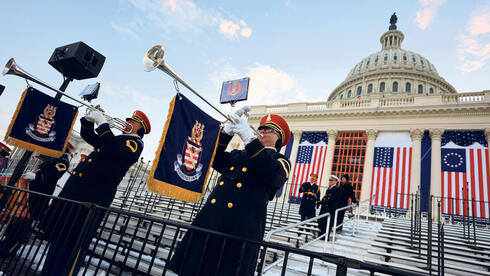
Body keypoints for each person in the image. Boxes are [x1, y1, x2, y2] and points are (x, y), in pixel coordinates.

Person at [168, 107, 291, 276]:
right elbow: (213, 158)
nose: (261, 131)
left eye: (268, 130)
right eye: (260, 128)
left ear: (278, 137)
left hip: (238, 228)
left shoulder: (280, 161)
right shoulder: (240, 154)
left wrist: (250, 139)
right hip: (211, 220)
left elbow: (271, 175)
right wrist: (225, 134)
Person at [41, 109, 150, 276]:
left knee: (73, 243)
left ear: (138, 128)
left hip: (91, 197)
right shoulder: (113, 140)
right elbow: (90, 137)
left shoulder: (134, 144)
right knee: (60, 236)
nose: (127, 123)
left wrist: (103, 124)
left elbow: (114, 150)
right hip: (77, 193)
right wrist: (88, 121)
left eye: (131, 122)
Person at [0, 143, 73, 257]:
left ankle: (9, 249)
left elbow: (53, 176)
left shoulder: (63, 161)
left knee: (24, 223)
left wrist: (35, 177)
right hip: (30, 195)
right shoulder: (52, 159)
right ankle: (5, 245)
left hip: (39, 197)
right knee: (17, 221)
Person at [317, 175, 339, 240]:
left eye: (332, 180)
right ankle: (320, 236)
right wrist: (320, 201)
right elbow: (326, 197)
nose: (330, 181)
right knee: (321, 222)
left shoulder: (336, 189)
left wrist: (324, 202)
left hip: (329, 209)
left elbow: (333, 199)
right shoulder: (329, 188)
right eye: (330, 180)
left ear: (335, 182)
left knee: (327, 224)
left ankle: (325, 237)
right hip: (324, 208)